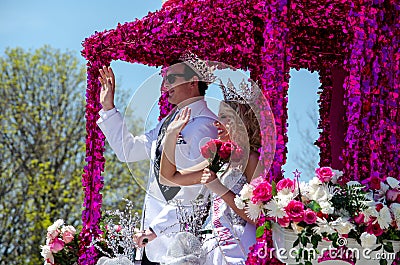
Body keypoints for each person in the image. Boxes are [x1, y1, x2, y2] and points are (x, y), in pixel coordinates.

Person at [97, 55, 218, 264]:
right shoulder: (168, 123)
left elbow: (195, 187)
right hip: (151, 241)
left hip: (181, 243)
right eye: (164, 79)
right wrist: (108, 109)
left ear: (192, 82)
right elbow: (130, 150)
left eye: (171, 79)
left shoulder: (206, 125)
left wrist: (156, 228)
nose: (164, 86)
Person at [159, 98, 261, 264]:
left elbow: (256, 216)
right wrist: (171, 135)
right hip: (211, 246)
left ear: (241, 122)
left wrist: (220, 189)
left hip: (238, 244)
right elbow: (168, 178)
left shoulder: (251, 160)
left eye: (224, 117)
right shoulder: (217, 160)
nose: (216, 123)